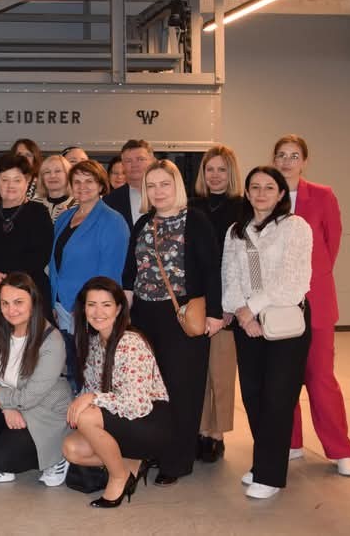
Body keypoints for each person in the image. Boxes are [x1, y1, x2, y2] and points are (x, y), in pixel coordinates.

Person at [122, 160, 222, 486]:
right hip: (144, 316)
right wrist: (124, 313)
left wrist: (215, 314)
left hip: (182, 316)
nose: (158, 191)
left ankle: (176, 461)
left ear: (177, 185)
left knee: (182, 390)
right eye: (151, 186)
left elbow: (212, 269)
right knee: (151, 390)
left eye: (164, 184)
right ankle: (153, 450)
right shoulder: (143, 223)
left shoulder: (196, 221)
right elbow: (130, 272)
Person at [222, 166, 314, 499]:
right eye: (255, 187)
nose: (261, 193)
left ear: (280, 194)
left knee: (278, 397)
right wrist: (243, 315)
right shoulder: (236, 231)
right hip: (247, 323)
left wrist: (253, 307)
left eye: (269, 187)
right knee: (253, 396)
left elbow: (294, 281)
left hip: (285, 321)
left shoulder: (295, 227)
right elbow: (229, 277)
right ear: (247, 193)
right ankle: (264, 460)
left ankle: (270, 475)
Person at [273, 134, 350, 476]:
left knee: (321, 377)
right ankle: (291, 442)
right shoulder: (267, 195)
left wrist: (310, 281)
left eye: (294, 155)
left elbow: (330, 245)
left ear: (304, 161)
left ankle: (340, 449)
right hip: (278, 302)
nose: (287, 161)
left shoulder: (323, 196)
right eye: (281, 155)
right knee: (284, 377)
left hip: (316, 300)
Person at [62, 277, 171, 508]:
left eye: (106, 305)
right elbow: (91, 389)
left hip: (148, 422)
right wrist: (83, 401)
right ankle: (130, 464)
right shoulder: (94, 342)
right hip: (120, 418)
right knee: (71, 449)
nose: (98, 312)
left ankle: (118, 477)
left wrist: (91, 399)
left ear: (119, 309)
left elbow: (136, 404)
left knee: (86, 416)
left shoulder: (131, 342)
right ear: (83, 309)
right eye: (91, 305)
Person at [0, 273, 73, 488]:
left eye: (18, 302)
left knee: (2, 456)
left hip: (43, 412)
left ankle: (58, 456)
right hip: (13, 405)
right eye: (5, 303)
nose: (11, 310)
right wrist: (6, 407)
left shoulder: (51, 340)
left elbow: (28, 398)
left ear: (33, 302)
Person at [48, 160, 130, 388]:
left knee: (91, 367)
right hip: (61, 305)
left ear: (101, 185)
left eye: (89, 181)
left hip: (90, 308)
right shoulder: (64, 218)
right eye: (77, 182)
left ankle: (88, 407)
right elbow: (55, 262)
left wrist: (91, 306)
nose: (82, 187)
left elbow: (111, 273)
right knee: (70, 366)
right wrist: (53, 301)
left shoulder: (113, 221)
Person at [189, 144, 244, 463]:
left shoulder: (242, 208)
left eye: (222, 169)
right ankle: (199, 429)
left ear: (231, 173)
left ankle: (216, 434)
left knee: (220, 373)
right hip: (196, 300)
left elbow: (242, 261)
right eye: (210, 169)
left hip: (227, 302)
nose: (215, 175)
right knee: (196, 371)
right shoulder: (192, 206)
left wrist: (231, 304)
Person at [0, 153, 52, 328]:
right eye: (5, 180)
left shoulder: (38, 212)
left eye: (17, 180)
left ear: (27, 182)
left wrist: (8, 281)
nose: (10, 185)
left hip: (30, 291)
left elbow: (40, 255)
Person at [104, 139, 155, 228]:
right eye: (128, 161)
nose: (134, 165)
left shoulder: (167, 195)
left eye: (140, 159)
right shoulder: (109, 201)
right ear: (123, 165)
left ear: (152, 162)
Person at [34, 154, 74, 223]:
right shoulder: (33, 205)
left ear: (68, 175)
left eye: (58, 171)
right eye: (47, 172)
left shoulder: (78, 206)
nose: (52, 176)